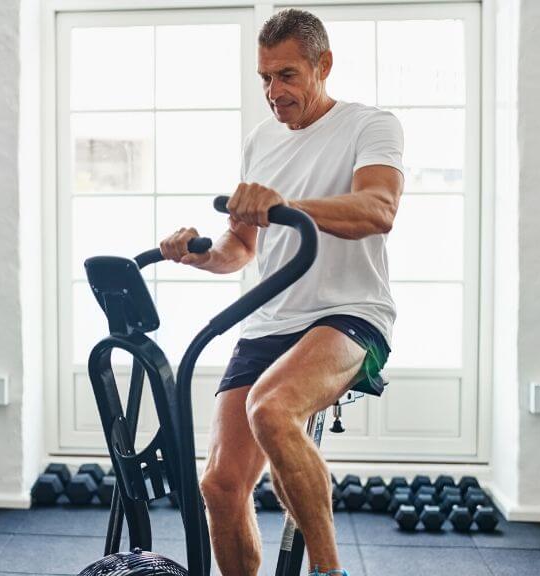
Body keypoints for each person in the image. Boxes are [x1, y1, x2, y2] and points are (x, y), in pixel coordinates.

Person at [159, 9, 404, 576]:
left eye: (287, 75)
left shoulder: (369, 125)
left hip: (348, 315)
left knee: (271, 408)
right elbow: (239, 249)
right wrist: (196, 252)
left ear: (324, 65)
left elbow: (378, 209)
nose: (274, 92)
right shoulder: (261, 141)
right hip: (269, 321)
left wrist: (285, 207)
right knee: (219, 485)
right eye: (265, 78)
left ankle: (329, 571)